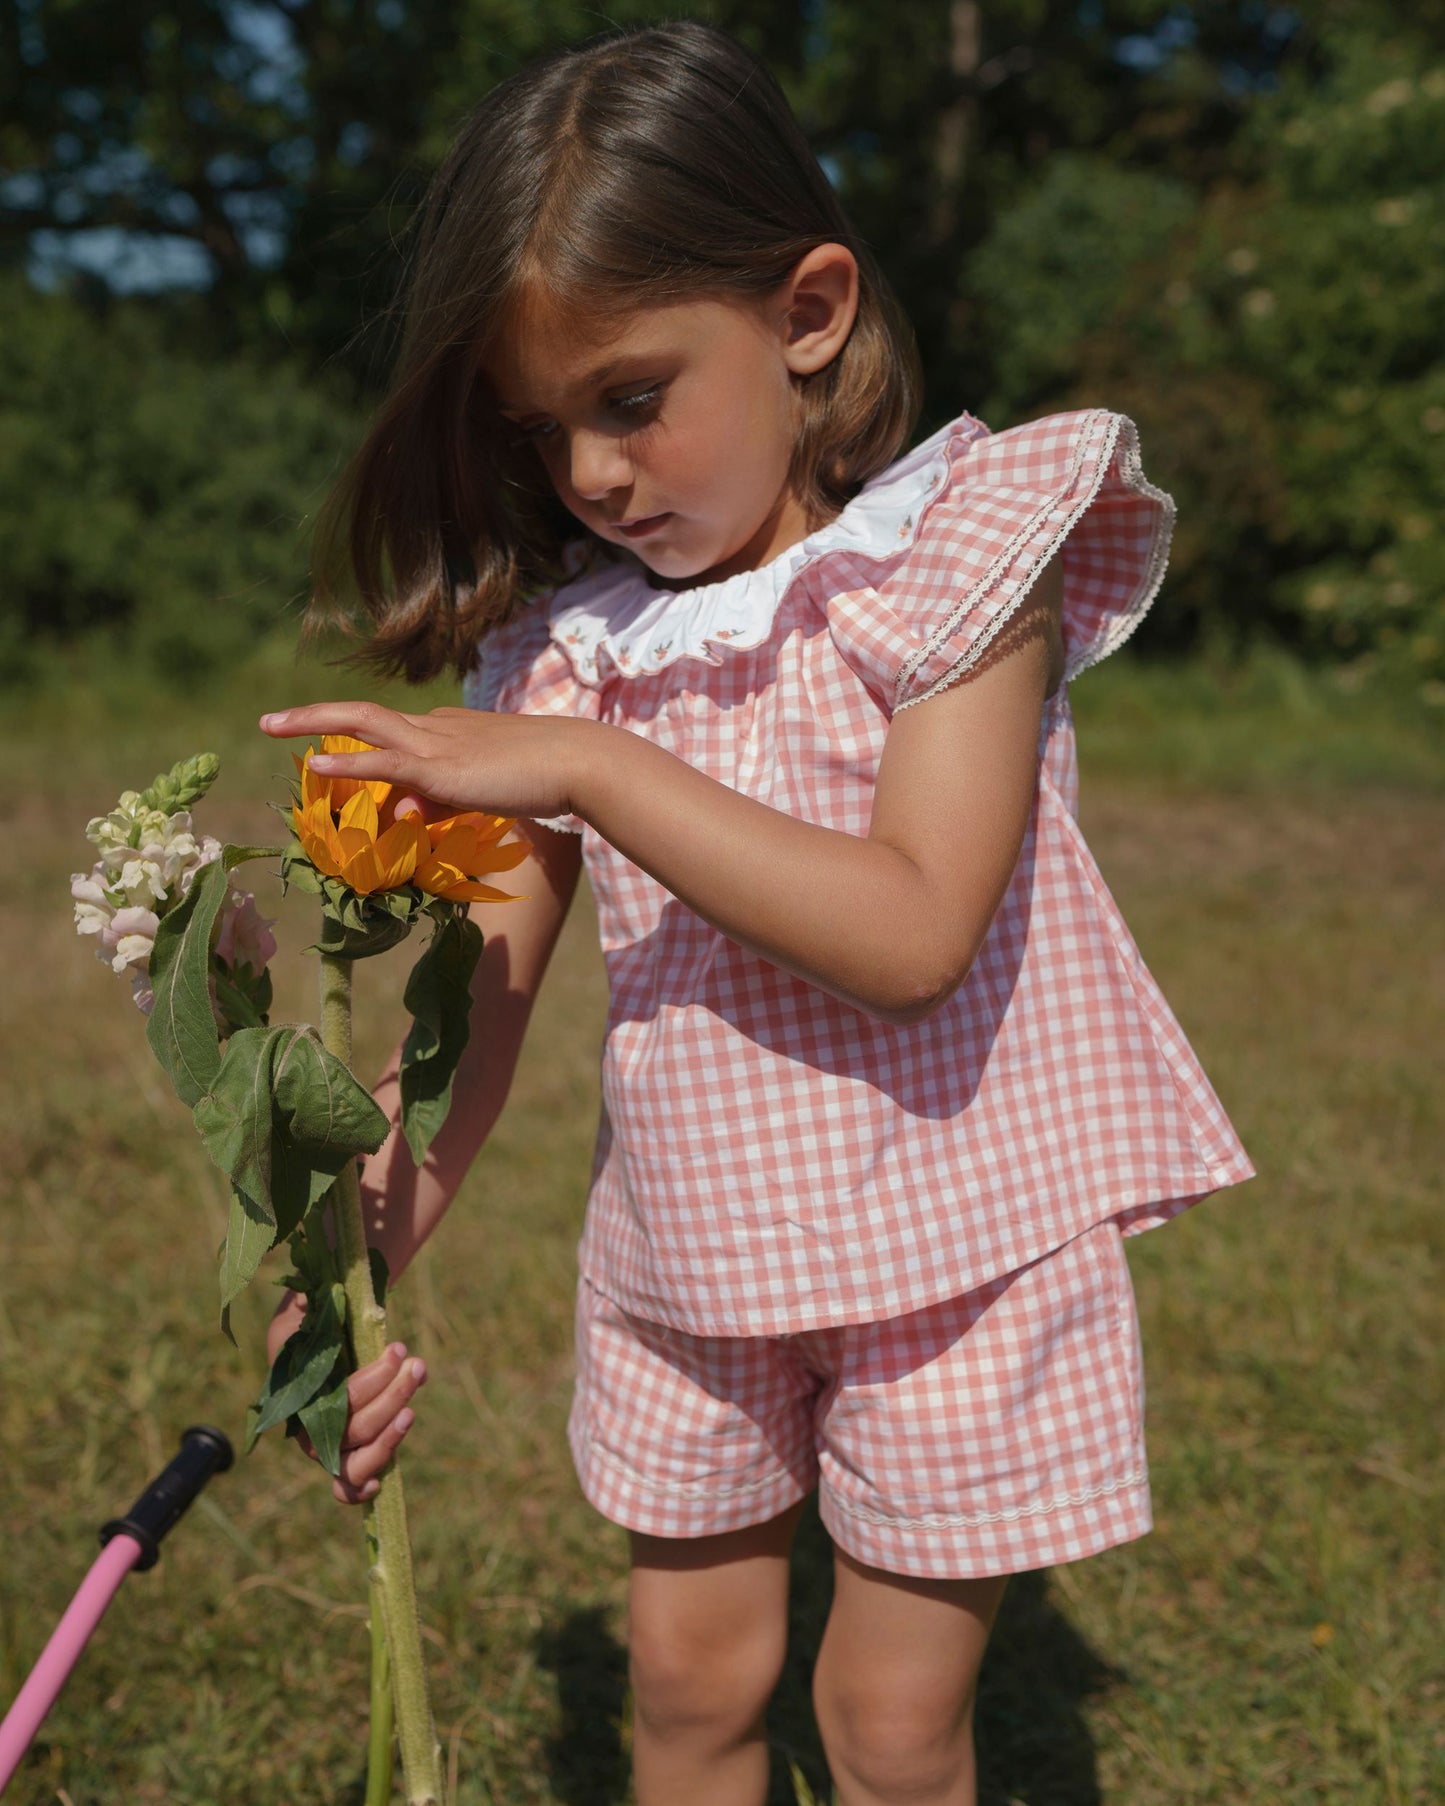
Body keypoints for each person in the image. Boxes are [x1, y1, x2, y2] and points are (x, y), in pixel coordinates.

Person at [259, 21, 1254, 1805]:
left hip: (954, 1259)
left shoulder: (956, 561)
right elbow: (477, 1006)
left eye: (630, 397)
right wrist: (347, 1259)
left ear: (806, 312)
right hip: (695, 1266)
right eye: (539, 426)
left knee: (888, 1722)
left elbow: (912, 931)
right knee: (686, 1686)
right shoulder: (566, 656)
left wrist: (591, 769)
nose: (588, 474)